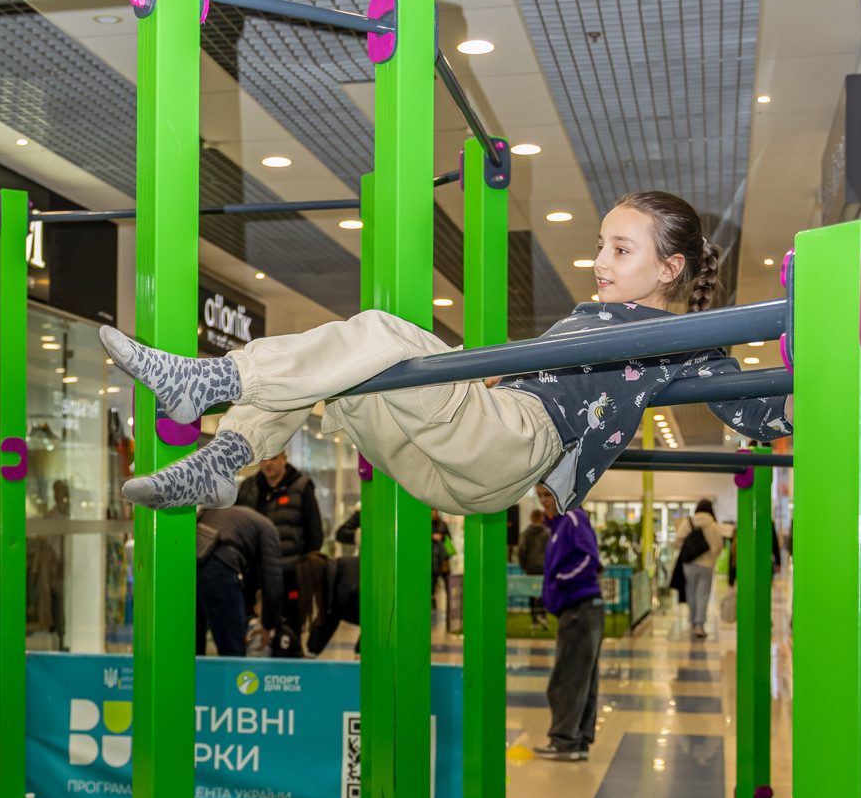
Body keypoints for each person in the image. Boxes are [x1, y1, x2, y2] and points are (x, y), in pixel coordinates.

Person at [99, 191, 793, 520]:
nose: (600, 261)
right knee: (347, 373)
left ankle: (210, 380)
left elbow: (760, 415)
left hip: (513, 443)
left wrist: (812, 358)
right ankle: (223, 461)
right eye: (600, 245)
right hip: (457, 470)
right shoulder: (592, 320)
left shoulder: (682, 340)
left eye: (620, 248)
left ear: (670, 268)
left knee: (379, 331)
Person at [532, 484, 604, 761]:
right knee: (582, 678)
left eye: (547, 495)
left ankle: (565, 741)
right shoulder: (558, 524)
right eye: (539, 495)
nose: (543, 501)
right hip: (578, 608)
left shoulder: (573, 516)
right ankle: (577, 741)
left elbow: (589, 558)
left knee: (567, 678)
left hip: (580, 607)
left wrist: (561, 581)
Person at [235, 450, 322, 639]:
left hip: (289, 572)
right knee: (251, 629)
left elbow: (314, 533)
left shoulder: (301, 487)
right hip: (254, 573)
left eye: (273, 458)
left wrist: (305, 570)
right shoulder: (249, 487)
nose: (268, 464)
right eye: (264, 459)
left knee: (289, 630)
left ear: (284, 459)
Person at [196, 503, 283, 656]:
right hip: (219, 565)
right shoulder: (269, 529)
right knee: (232, 648)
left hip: (187, 562)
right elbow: (273, 583)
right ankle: (232, 672)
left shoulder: (231, 515)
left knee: (190, 647)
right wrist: (267, 626)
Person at [673, 499, 725, 639]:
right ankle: (699, 625)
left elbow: (677, 541)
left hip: (689, 563)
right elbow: (719, 547)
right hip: (707, 565)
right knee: (703, 594)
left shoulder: (688, 522)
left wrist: (689, 551)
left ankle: (692, 621)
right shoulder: (714, 526)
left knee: (690, 592)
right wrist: (710, 557)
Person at [518, 507, 551, 628]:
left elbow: (521, 550)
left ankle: (534, 620)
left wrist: (524, 566)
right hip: (544, 567)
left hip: (530, 568)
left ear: (531, 518)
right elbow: (551, 550)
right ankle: (543, 616)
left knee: (531, 593)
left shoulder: (526, 533)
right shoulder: (547, 533)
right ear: (542, 518)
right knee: (543, 592)